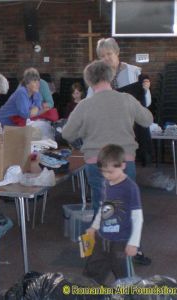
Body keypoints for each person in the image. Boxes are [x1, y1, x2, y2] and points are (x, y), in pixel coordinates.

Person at [62, 59, 152, 218]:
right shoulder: (127, 99)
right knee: (124, 202)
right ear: (111, 77)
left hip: (96, 162)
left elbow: (67, 134)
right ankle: (125, 236)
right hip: (124, 160)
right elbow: (147, 120)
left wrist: (83, 131)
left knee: (101, 202)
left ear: (89, 81)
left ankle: (104, 236)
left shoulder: (84, 105)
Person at [83, 144, 143, 285]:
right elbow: (104, 208)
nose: (107, 175)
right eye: (103, 172)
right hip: (103, 237)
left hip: (121, 240)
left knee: (124, 276)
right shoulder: (107, 183)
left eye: (110, 172)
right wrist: (94, 227)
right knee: (92, 270)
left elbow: (137, 217)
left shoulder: (130, 187)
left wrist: (134, 243)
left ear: (122, 165)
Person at [87, 37, 152, 108]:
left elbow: (146, 103)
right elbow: (89, 102)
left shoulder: (133, 72)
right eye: (102, 56)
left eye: (109, 54)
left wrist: (145, 90)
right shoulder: (97, 77)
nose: (106, 58)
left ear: (117, 52)